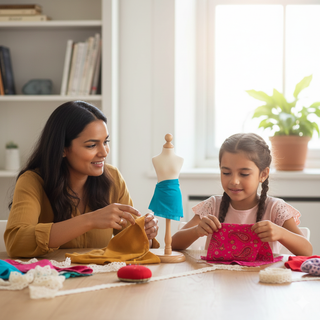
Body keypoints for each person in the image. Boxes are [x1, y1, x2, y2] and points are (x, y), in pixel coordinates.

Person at [4, 101, 159, 258]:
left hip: (100, 280)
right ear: (63, 149)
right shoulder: (32, 181)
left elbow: (133, 243)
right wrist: (90, 220)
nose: (104, 152)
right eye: (92, 145)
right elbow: (16, 242)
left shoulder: (113, 178)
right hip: (52, 279)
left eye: (105, 142)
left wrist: (146, 235)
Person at [171, 133, 313, 256]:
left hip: (261, 284)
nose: (234, 181)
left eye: (244, 174)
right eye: (226, 172)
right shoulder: (213, 206)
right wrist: (196, 230)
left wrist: (281, 233)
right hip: (217, 282)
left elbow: (307, 250)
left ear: (263, 174)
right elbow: (173, 244)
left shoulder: (275, 209)